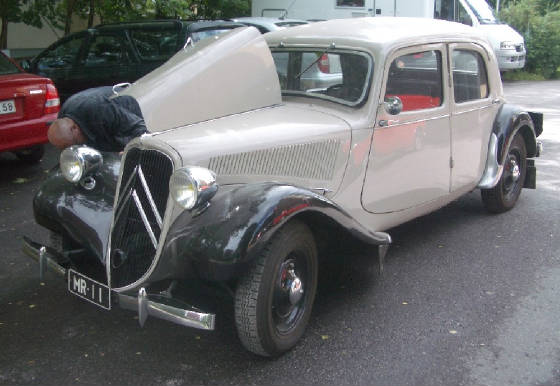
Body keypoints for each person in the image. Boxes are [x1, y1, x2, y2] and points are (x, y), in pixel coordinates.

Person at [48, 86, 147, 152]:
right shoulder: (63, 116)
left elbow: (138, 127)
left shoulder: (100, 109)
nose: (72, 148)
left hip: (127, 109)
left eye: (72, 144)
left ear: (74, 128)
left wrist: (132, 149)